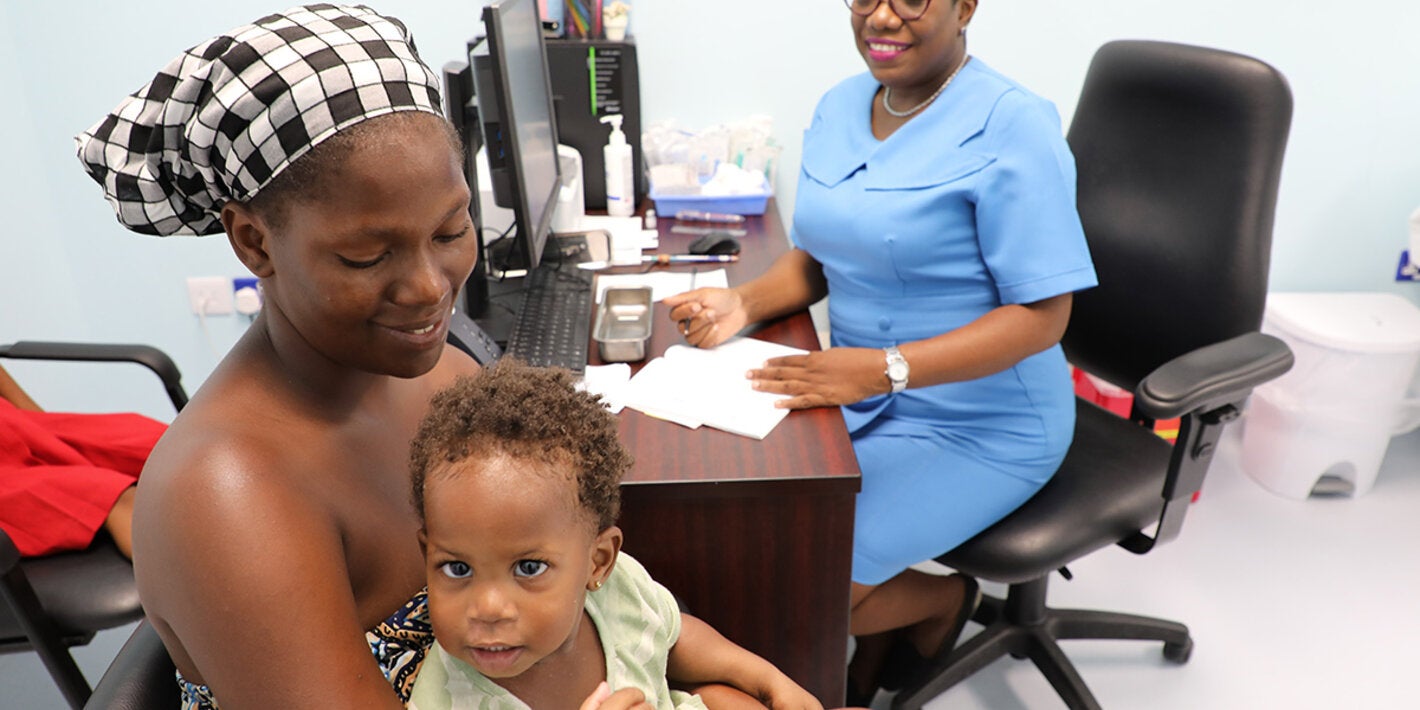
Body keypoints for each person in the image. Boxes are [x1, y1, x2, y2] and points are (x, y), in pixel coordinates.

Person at [74, 6, 643, 709]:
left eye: (451, 229)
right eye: (367, 256)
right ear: (254, 244)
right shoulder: (228, 490)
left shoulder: (441, 374)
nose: (431, 288)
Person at [663, 0, 1097, 702]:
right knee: (758, 534)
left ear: (965, 8)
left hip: (985, 421)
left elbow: (1044, 316)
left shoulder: (1013, 123)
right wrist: (744, 302)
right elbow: (823, 253)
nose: (882, 17)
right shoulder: (840, 106)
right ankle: (898, 617)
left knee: (809, 579)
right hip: (861, 392)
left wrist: (886, 369)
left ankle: (939, 601)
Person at [406, 359, 824, 710]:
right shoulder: (443, 700)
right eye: (457, 568)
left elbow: (671, 634)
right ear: (428, 555)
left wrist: (766, 679)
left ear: (598, 561)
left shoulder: (614, 592)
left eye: (528, 567)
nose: (489, 608)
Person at [0, 364, 161, 559]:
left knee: (167, 446)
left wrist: (44, 424)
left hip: (14, 425)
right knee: (109, 493)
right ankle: (195, 585)